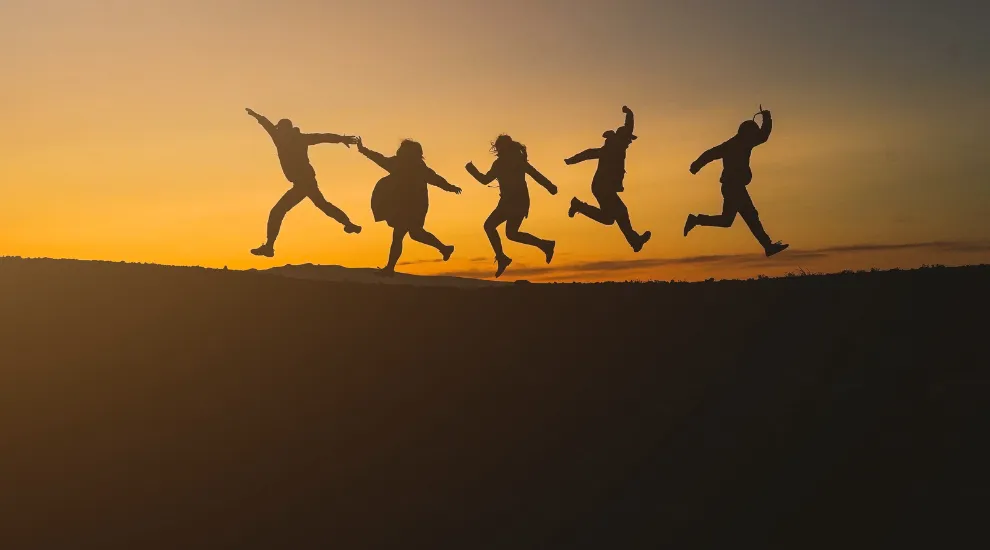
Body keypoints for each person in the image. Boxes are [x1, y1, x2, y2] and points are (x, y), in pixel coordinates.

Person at [245, 108, 361, 258]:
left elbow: (322, 137)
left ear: (287, 130)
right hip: (304, 183)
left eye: (281, 131)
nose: (279, 133)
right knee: (322, 204)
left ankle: (269, 247)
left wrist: (341, 139)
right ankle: (349, 224)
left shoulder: (299, 138)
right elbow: (268, 125)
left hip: (304, 183)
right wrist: (256, 116)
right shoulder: (279, 137)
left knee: (278, 211)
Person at [684, 106, 788, 257]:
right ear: (748, 133)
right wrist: (767, 118)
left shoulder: (734, 143)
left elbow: (710, 154)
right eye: (754, 132)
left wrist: (696, 165)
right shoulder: (740, 143)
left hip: (732, 187)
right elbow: (763, 136)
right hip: (734, 188)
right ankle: (767, 246)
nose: (755, 135)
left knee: (728, 221)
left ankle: (696, 220)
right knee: (751, 216)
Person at [355, 137, 462, 276]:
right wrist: (363, 150)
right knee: (415, 234)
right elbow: (379, 159)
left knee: (400, 235)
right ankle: (444, 248)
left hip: (414, 207)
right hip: (404, 206)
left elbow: (437, 180)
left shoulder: (416, 168)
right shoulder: (399, 164)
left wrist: (450, 187)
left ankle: (389, 269)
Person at [466, 135, 557, 278]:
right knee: (510, 233)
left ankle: (503, 257)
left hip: (514, 202)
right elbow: (485, 180)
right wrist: (550, 187)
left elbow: (535, 174)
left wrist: (550, 186)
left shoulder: (512, 162)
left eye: (500, 146)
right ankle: (545, 245)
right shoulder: (506, 163)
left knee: (490, 226)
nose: (499, 149)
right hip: (513, 202)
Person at [565, 106, 651, 252]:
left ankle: (579, 206)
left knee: (609, 219)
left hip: (603, 187)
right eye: (629, 139)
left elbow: (590, 153)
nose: (630, 143)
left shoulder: (613, 147)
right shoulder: (615, 147)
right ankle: (635, 241)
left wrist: (629, 114)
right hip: (603, 187)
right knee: (621, 211)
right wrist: (629, 114)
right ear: (623, 139)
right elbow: (589, 153)